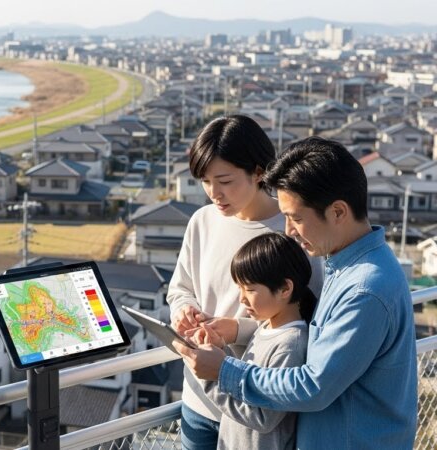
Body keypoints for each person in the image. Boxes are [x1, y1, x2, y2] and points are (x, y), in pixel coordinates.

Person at [176, 136, 418, 448]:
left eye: (296, 218)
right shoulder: (348, 265)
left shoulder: (365, 289)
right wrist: (237, 330)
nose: (289, 230)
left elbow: (313, 385)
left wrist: (224, 371)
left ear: (338, 212)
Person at [165, 115, 323, 450]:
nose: (214, 193)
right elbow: (180, 288)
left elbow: (307, 318)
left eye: (225, 181)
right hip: (198, 398)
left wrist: (236, 329)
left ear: (259, 172)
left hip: (252, 409)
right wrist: (184, 310)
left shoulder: (293, 230)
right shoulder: (202, 221)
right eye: (205, 181)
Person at [191, 232, 316, 450]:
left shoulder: (290, 346)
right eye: (239, 288)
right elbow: (243, 384)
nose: (242, 298)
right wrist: (219, 350)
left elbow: (262, 417)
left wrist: (210, 375)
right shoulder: (266, 327)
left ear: (285, 289)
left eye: (249, 289)